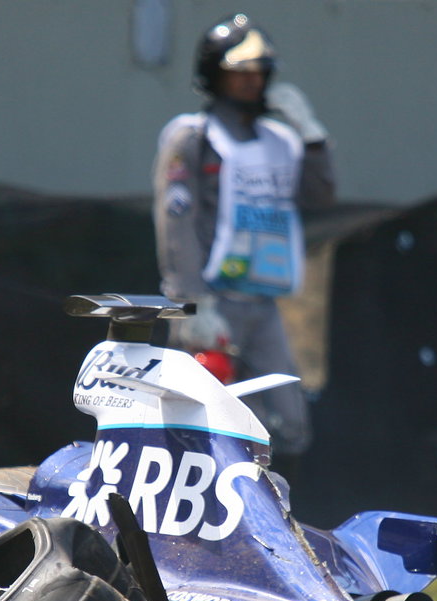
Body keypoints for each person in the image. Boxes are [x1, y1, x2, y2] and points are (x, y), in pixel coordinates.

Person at [153, 13, 334, 471]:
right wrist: (192, 303)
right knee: (201, 420)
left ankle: (272, 503)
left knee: (290, 422)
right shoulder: (194, 137)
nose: (252, 81)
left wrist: (311, 135)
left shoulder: (282, 140)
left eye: (259, 71)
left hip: (264, 306)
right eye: (240, 71)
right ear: (215, 74)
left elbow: (319, 196)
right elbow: (177, 222)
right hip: (213, 304)